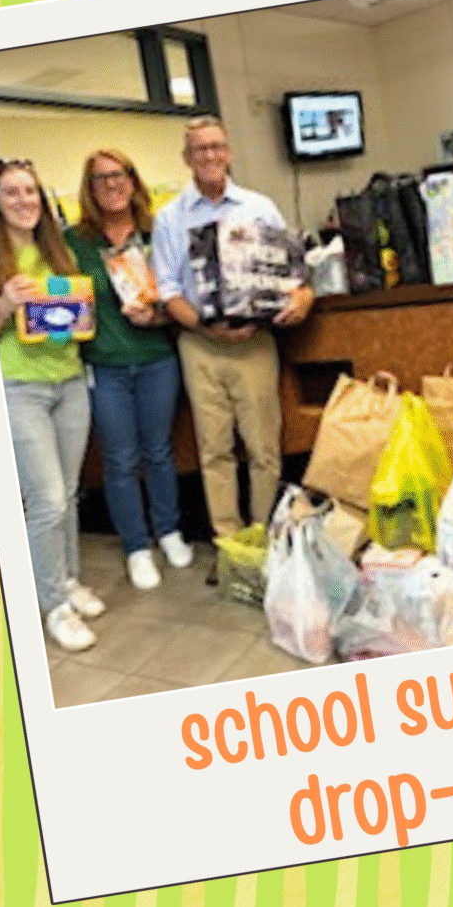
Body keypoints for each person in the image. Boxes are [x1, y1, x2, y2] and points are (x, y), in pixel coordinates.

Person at [152, 116, 314, 579]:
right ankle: (230, 544)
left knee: (264, 447)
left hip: (256, 342)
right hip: (200, 345)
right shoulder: (170, 218)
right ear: (186, 159)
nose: (208, 155)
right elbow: (167, 291)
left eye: (216, 147)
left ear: (229, 152)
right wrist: (207, 328)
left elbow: (294, 274)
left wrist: (301, 298)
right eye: (198, 149)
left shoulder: (260, 208)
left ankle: (265, 538)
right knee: (214, 450)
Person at [0, 158, 105, 651]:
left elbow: (76, 315)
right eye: (11, 193)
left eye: (30, 191)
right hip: (18, 386)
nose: (23, 201)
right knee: (47, 499)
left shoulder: (56, 249)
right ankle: (52, 604)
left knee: (69, 493)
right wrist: (4, 304)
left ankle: (70, 579)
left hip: (70, 380)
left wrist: (82, 311)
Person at [64, 150, 194, 590]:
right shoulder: (74, 241)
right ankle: (137, 546)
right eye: (101, 179)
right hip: (106, 366)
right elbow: (67, 302)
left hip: (158, 356)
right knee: (120, 459)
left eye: (119, 176)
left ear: (133, 181)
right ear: (90, 188)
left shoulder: (157, 232)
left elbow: (180, 292)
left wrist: (157, 317)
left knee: (159, 450)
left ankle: (169, 531)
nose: (112, 185)